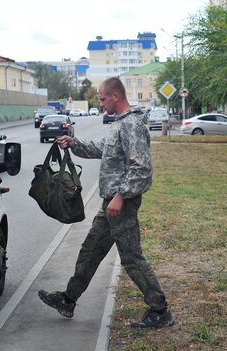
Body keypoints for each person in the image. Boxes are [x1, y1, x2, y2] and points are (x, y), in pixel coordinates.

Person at [38, 77, 174, 328]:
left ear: (115, 96)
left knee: (132, 257)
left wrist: (121, 197)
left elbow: (142, 169)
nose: (100, 104)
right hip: (110, 204)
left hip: (121, 204)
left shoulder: (131, 124)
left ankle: (160, 310)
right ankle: (68, 299)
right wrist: (74, 143)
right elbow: (103, 149)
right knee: (91, 251)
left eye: (102, 99)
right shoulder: (120, 124)